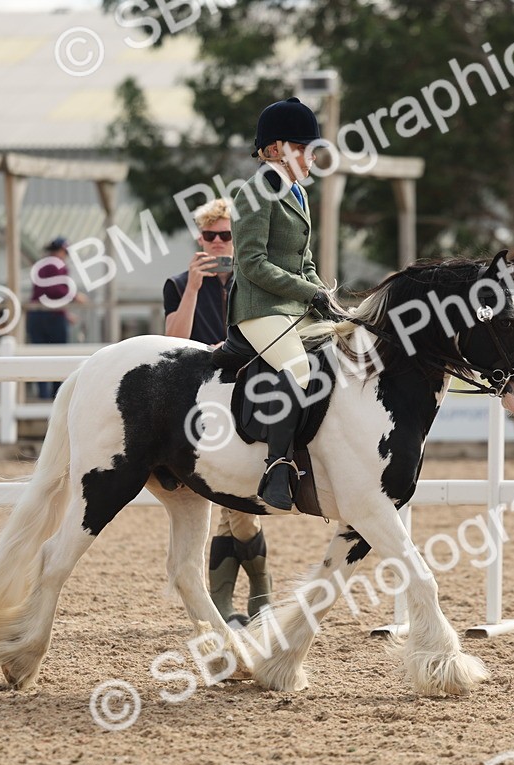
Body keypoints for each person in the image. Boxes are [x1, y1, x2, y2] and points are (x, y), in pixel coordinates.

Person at [163, 198, 271, 627]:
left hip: (244, 393)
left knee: (234, 508)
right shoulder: (178, 283)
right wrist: (191, 286)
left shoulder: (252, 280)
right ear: (199, 239)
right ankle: (257, 595)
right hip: (195, 398)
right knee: (233, 507)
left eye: (226, 236)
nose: (218, 244)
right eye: (210, 236)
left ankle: (236, 602)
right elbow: (173, 338)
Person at [228, 96, 339, 511]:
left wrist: (328, 299)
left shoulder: (296, 193)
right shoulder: (254, 192)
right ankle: (277, 465)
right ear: (275, 149)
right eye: (303, 147)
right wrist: (309, 293)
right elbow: (252, 264)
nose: (312, 157)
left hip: (293, 307)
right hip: (259, 308)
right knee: (298, 367)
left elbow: (304, 261)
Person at [27, 236, 75, 399]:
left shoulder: (41, 266)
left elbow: (45, 292)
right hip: (52, 317)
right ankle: (56, 395)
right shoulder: (58, 266)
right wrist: (74, 295)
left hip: (38, 315)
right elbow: (55, 291)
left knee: (40, 356)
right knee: (59, 356)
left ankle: (43, 394)